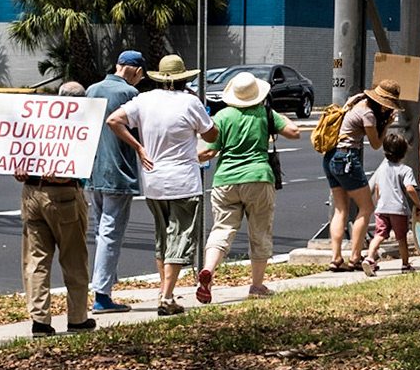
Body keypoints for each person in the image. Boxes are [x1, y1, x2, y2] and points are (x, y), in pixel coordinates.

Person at [106, 55, 218, 317]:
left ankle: (164, 291)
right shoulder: (190, 102)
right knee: (180, 238)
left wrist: (138, 147)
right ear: (184, 79)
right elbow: (211, 135)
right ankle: (167, 297)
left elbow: (114, 120)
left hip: (153, 180)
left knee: (163, 238)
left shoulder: (144, 100)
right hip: (184, 181)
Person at [197, 68, 300, 303]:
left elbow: (208, 151)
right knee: (260, 232)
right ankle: (256, 285)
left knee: (222, 229)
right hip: (258, 178)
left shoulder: (223, 117)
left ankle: (209, 272)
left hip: (225, 180)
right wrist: (277, 114)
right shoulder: (265, 114)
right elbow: (294, 133)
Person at [18, 80, 96, 336]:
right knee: (73, 257)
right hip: (64, 195)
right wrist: (60, 176)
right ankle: (77, 318)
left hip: (31, 193)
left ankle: (40, 320)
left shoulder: (36, 121)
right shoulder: (81, 124)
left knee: (36, 258)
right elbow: (77, 167)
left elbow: (18, 156)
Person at [86, 49, 145, 314]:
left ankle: (105, 284)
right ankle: (102, 294)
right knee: (111, 232)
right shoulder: (130, 95)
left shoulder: (92, 89)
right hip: (118, 171)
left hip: (93, 169)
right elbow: (140, 130)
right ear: (135, 70)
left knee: (100, 231)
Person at [323, 79, 397, 271]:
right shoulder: (369, 114)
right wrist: (387, 125)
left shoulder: (356, 101)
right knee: (366, 207)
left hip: (331, 156)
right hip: (346, 157)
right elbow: (375, 144)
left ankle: (336, 257)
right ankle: (355, 257)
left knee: (340, 209)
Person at [362, 132, 420, 275]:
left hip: (382, 208)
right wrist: (417, 204)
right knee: (401, 238)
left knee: (379, 234)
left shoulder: (381, 169)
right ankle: (405, 264)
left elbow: (377, 188)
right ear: (403, 152)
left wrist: (379, 203)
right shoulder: (405, 170)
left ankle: (370, 258)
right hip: (398, 209)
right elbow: (409, 188)